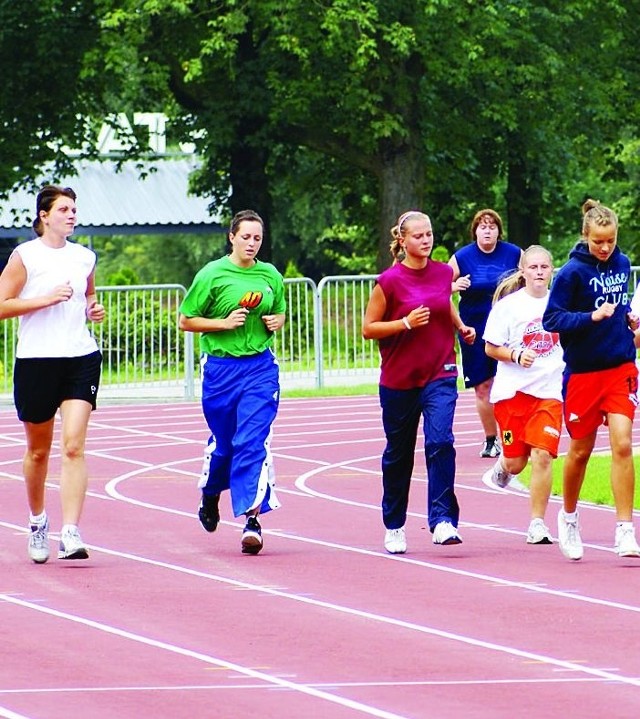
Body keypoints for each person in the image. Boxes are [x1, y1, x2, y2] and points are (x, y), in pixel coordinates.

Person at [0, 185, 105, 563]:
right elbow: (2, 305)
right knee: (38, 451)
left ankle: (71, 532)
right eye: (64, 209)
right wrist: (46, 298)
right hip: (36, 360)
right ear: (45, 216)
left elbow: (89, 296)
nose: (72, 215)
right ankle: (38, 520)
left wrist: (93, 309)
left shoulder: (84, 257)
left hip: (80, 356)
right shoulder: (25, 256)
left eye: (74, 209)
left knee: (74, 445)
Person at [362, 210, 476, 554]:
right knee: (399, 455)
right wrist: (405, 323)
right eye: (418, 236)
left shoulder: (443, 273)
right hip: (399, 379)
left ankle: (442, 520)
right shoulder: (389, 281)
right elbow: (369, 328)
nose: (426, 240)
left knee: (441, 442)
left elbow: (445, 302)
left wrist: (460, 326)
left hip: (439, 372)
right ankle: (395, 524)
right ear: (403, 241)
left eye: (429, 234)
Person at [178, 209, 286, 555]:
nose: (252, 243)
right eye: (246, 237)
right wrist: (223, 324)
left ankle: (252, 520)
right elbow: (185, 320)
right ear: (232, 237)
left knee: (252, 440)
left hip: (260, 367)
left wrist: (276, 321)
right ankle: (210, 495)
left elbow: (281, 311)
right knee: (226, 444)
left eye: (257, 238)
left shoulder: (270, 275)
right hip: (221, 370)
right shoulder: (212, 274)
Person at [542, 199, 640, 561]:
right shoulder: (570, 273)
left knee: (623, 443)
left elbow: (622, 304)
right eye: (598, 240)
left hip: (620, 368)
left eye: (611, 240)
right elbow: (552, 320)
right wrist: (591, 317)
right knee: (580, 451)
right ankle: (568, 517)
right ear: (585, 236)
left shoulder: (623, 263)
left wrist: (628, 320)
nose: (605, 247)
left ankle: (625, 529)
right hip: (583, 373)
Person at [482, 246, 565, 544]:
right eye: (534, 267)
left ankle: (537, 524)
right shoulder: (508, 307)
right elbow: (490, 347)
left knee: (543, 455)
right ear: (523, 271)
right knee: (517, 462)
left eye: (545, 267)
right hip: (511, 395)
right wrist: (516, 354)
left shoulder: (562, 303)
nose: (540, 272)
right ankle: (504, 465)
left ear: (552, 270)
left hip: (549, 392)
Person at [449, 209, 522, 458]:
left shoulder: (514, 253)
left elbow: (533, 278)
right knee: (483, 386)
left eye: (492, 226)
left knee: (512, 382)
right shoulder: (462, 257)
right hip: (475, 329)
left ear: (499, 231)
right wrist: (453, 286)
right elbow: (437, 286)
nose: (488, 230)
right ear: (475, 231)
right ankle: (492, 440)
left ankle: (515, 436)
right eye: (482, 226)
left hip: (510, 329)